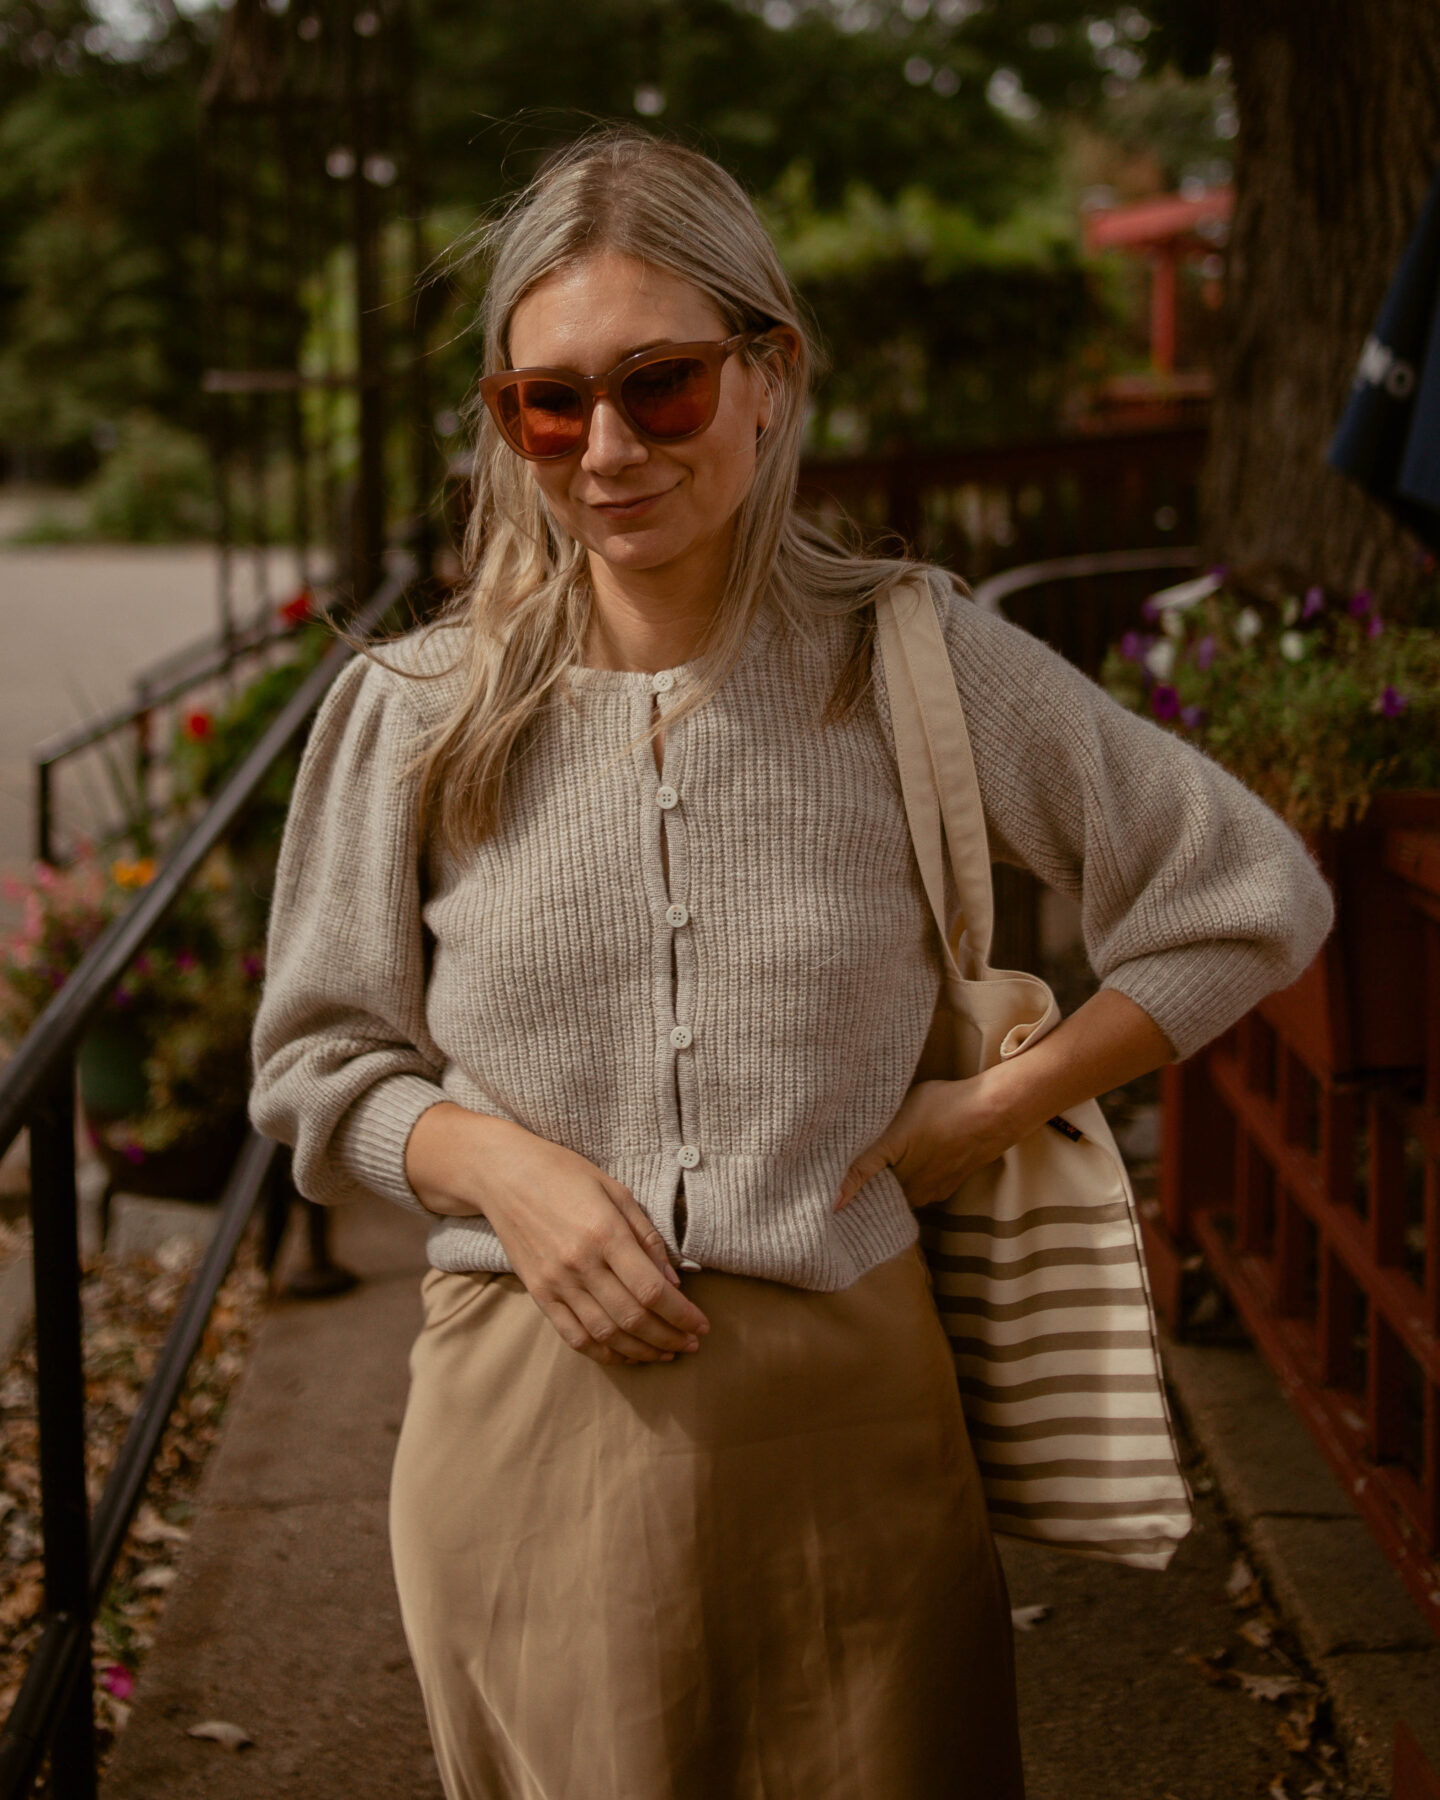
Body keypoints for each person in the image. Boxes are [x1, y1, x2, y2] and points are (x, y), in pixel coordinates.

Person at [249, 127, 1334, 1800]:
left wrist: (996, 1109)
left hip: (854, 1445)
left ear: (770, 375)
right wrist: (506, 1173)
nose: (603, 447)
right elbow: (315, 1064)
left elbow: (1247, 890)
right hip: (523, 1444)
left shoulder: (914, 661)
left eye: (660, 385)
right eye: (548, 402)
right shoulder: (417, 709)